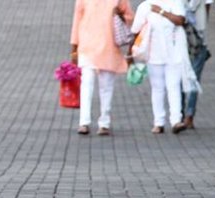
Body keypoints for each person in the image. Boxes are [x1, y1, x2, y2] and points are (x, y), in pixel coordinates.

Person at [131, 0, 199, 134]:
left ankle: (176, 121)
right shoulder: (145, 6)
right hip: (153, 54)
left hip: (174, 53)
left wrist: (161, 11)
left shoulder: (175, 3)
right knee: (157, 88)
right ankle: (158, 122)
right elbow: (136, 29)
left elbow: (180, 20)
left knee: (173, 86)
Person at [70, 0, 134, 136]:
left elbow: (129, 16)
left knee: (106, 86)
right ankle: (84, 122)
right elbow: (77, 19)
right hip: (87, 45)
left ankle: (104, 122)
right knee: (87, 84)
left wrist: (120, 15)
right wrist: (74, 47)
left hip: (108, 45)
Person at [180, 0, 213, 130]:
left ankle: (180, 114)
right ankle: (189, 116)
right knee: (194, 78)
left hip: (181, 40)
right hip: (198, 38)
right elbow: (208, 8)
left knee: (180, 77)